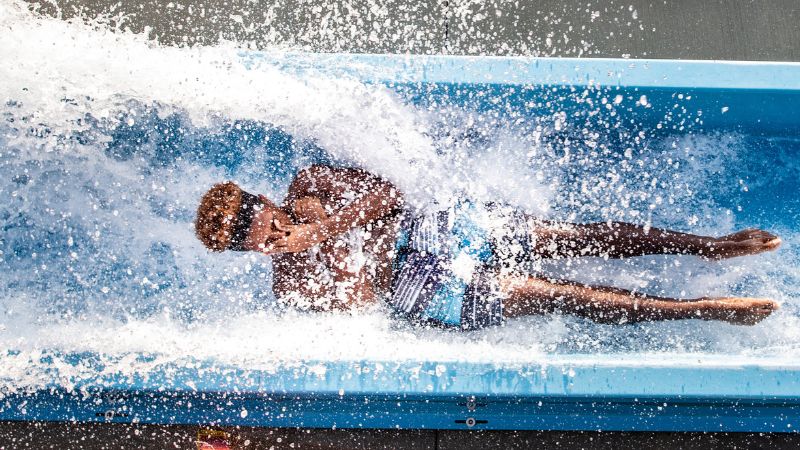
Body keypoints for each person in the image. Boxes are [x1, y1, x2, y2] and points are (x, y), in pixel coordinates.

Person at [194, 164, 781, 329]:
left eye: (267, 226)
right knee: (554, 293)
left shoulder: (311, 186)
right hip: (426, 290)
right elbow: (367, 301)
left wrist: (322, 232)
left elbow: (388, 195)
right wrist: (341, 264)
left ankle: (707, 246)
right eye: (258, 247)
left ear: (262, 201)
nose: (272, 242)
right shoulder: (291, 286)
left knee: (571, 235)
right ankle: (702, 310)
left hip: (435, 229)